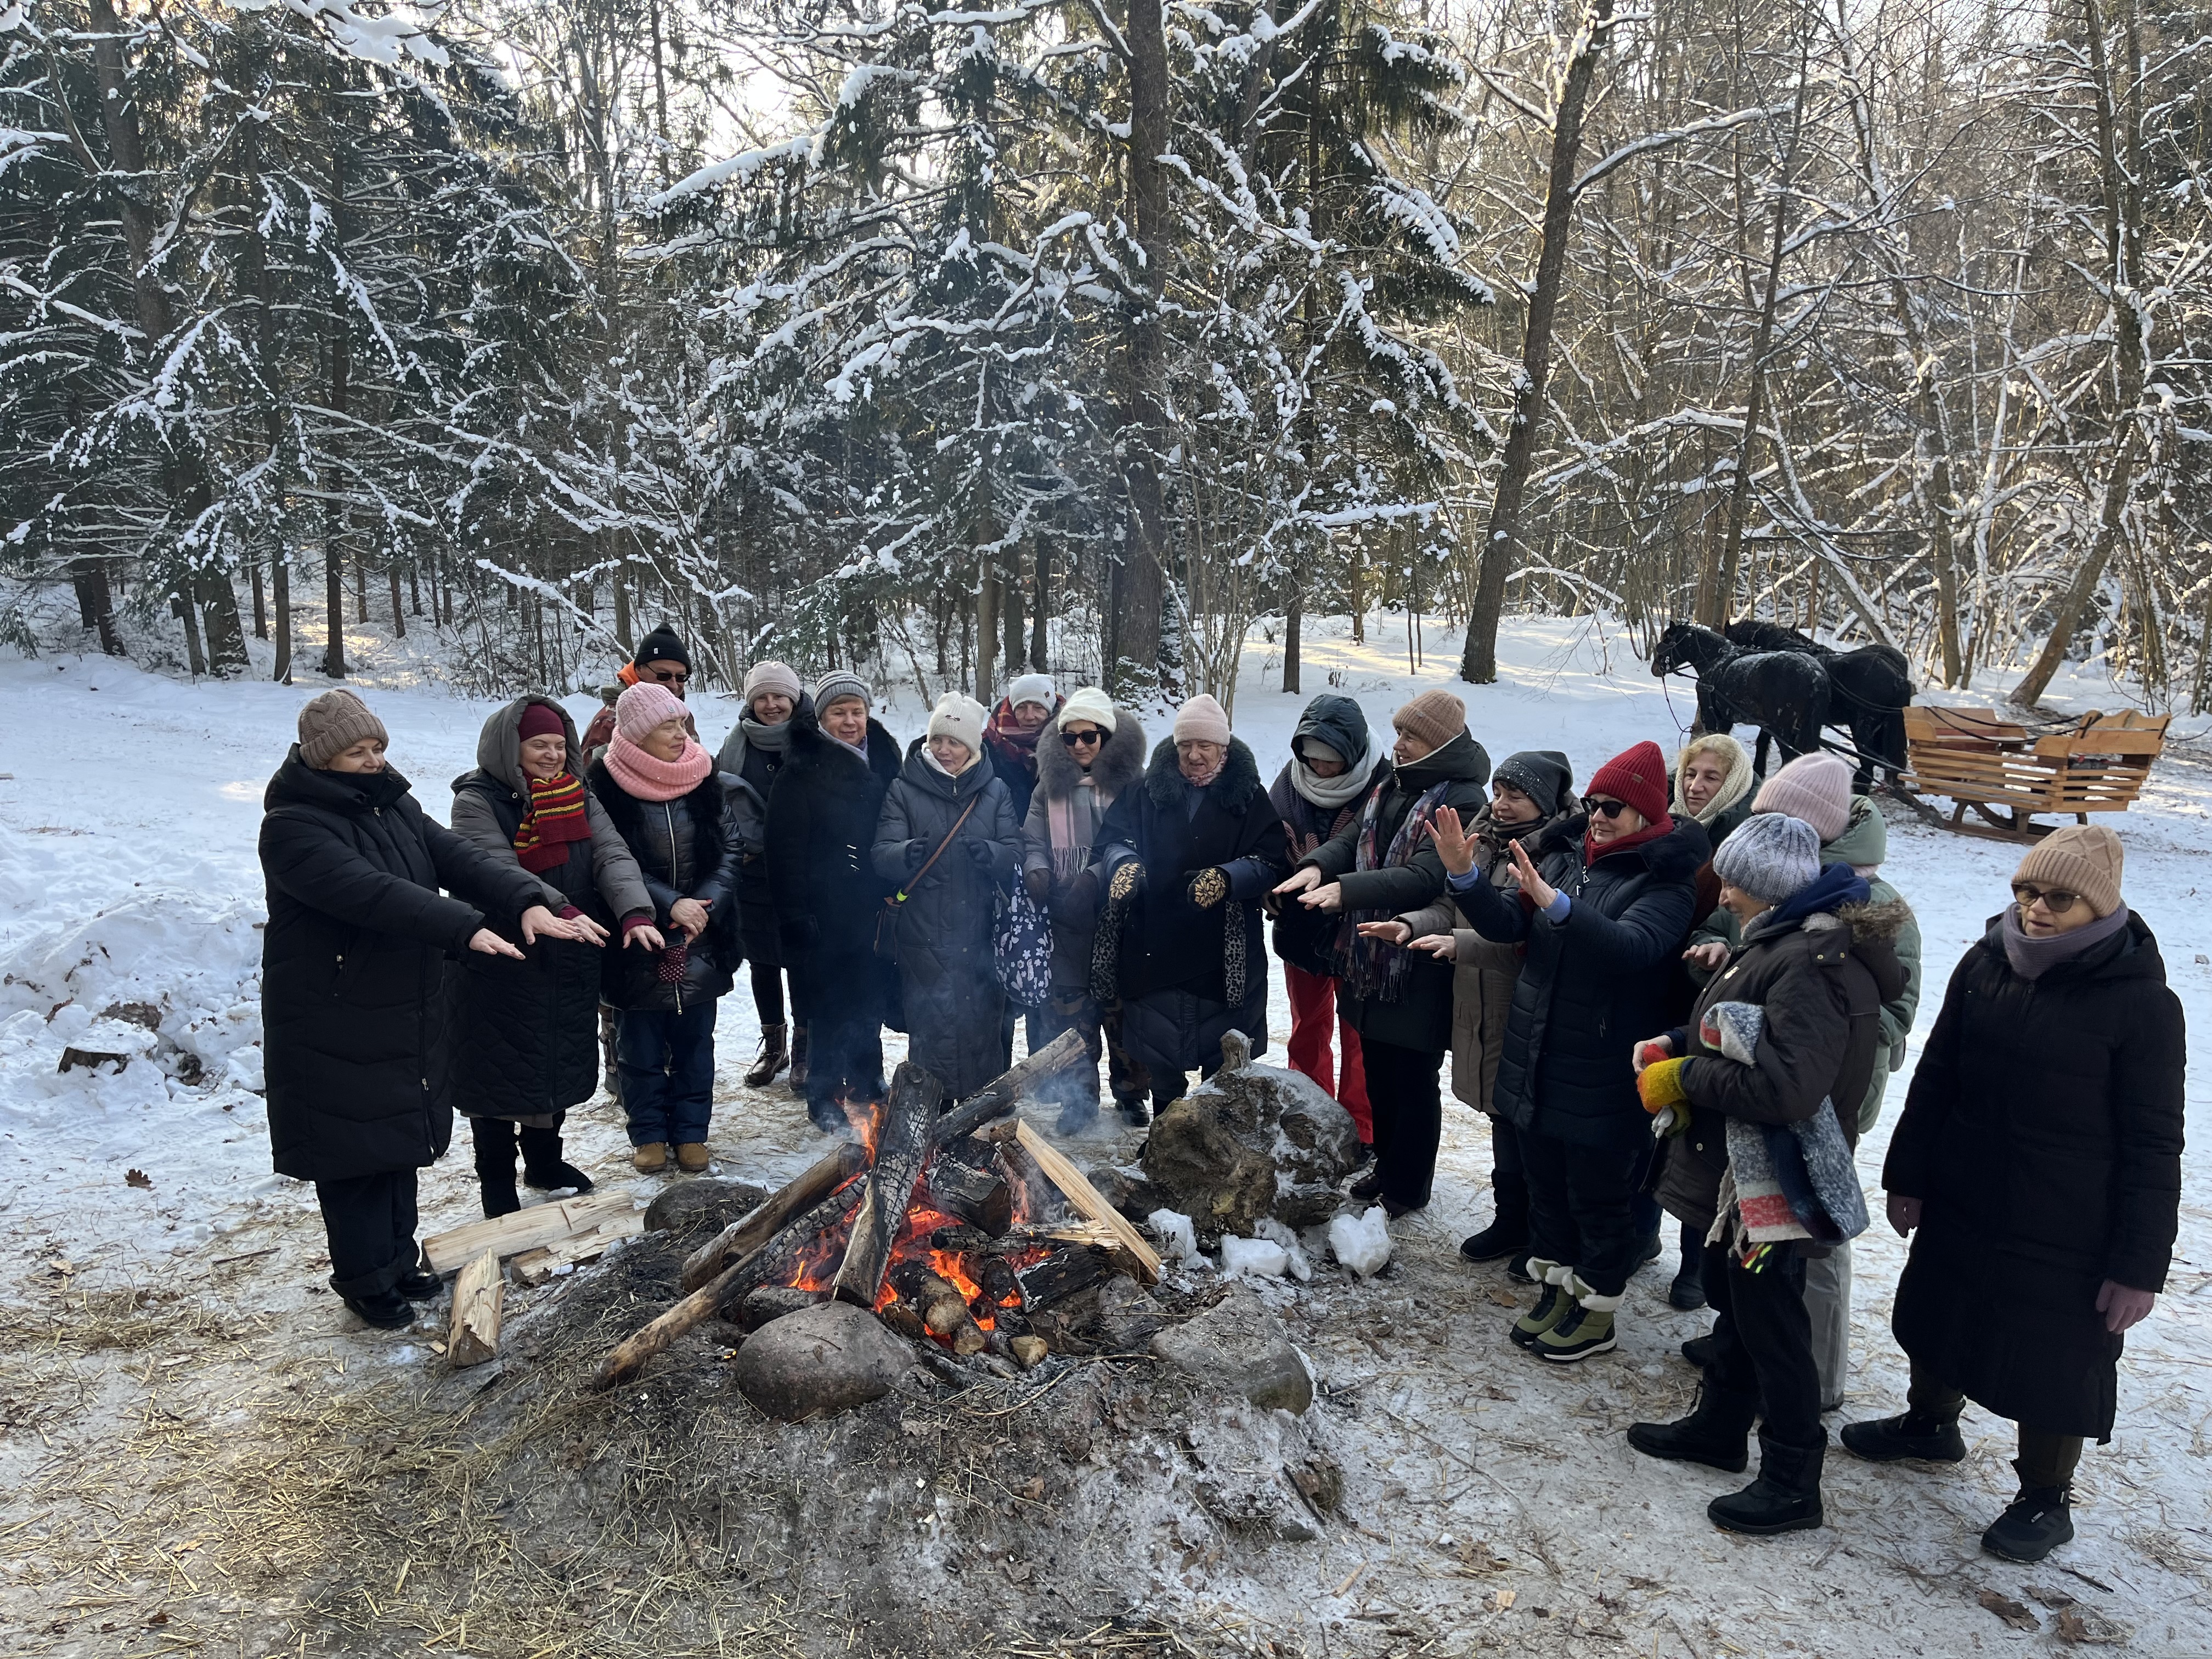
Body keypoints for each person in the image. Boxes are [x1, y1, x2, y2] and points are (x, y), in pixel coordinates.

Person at [1842, 826, 2183, 1564]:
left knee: (2056, 1358)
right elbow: (1936, 1077)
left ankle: (2044, 1497)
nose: (2036, 910)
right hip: (1967, 1191)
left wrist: (2138, 1265)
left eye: (2060, 899)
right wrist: (1910, 1174)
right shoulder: (1985, 963)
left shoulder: (2144, 1005)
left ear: (2100, 906)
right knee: (1940, 1307)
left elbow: (2155, 1143)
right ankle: (1931, 1423)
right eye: (2026, 892)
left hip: (2069, 1222)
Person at [1626, 814, 1908, 1536]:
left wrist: (1686, 1074)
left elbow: (1787, 1087)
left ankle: (1791, 1479)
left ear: (1767, 887)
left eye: (1735, 878)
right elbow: (1743, 1028)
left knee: (1775, 1324)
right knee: (1737, 1302)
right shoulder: (1777, 939)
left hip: (1777, 1184)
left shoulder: (1813, 963)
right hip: (1741, 1178)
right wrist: (1679, 1040)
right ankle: (1720, 1428)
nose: (1722, 888)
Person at [259, 690, 568, 1328]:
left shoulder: (392, 804)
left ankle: (398, 1264)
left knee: (395, 1140)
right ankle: (365, 1281)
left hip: (399, 1004)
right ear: (321, 758)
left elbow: (456, 857)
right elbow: (371, 894)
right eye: (356, 751)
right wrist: (463, 927)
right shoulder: (291, 827)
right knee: (353, 1154)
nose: (372, 760)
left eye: (377, 748)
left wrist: (530, 897)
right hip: (334, 1012)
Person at [1435, 740, 1707, 1362]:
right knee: (1548, 1191)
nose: (1601, 815)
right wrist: (1464, 876)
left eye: (1615, 806)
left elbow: (1630, 948)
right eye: (1594, 802)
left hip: (1604, 1069)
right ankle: (1558, 1291)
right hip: (1538, 1054)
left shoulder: (1665, 881)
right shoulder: (1565, 858)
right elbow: (1506, 923)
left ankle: (1597, 1312)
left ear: (1646, 813)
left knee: (1600, 1201)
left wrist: (1556, 904)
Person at [1680, 751, 1923, 1394]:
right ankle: (1745, 1356)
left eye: (1777, 817)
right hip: (1771, 1085)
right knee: (1758, 1242)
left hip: (1827, 1096)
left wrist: (1837, 1045)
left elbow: (1892, 1003)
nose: (1764, 827)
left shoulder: (1870, 902)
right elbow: (1745, 933)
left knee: (1813, 1240)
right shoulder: (1777, 876)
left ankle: (1812, 1375)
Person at [1277, 690, 1490, 1216]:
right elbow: (1352, 840)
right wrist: (1318, 866)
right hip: (1370, 956)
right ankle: (1387, 1167)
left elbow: (1423, 875)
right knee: (1377, 1070)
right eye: (1397, 734)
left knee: (1412, 1081)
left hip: (1416, 959)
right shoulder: (1394, 785)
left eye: (1410, 736)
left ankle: (1408, 1186)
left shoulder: (1460, 799)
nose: (1397, 744)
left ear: (1437, 744)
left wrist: (1346, 891)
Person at [449, 697, 658, 1216]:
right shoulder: (476, 801)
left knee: (553, 1061)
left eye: (558, 746)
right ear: (508, 749)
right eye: (538, 745)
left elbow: (611, 854)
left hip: (570, 951)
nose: (551, 755)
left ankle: (545, 1162)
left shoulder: (578, 794)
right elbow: (494, 867)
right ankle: (496, 1179)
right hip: (500, 955)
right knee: (496, 1070)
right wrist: (558, 909)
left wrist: (634, 911)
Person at [1373, 751, 1576, 1270]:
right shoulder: (1479, 840)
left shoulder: (1559, 852)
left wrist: (1459, 942)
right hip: (1477, 999)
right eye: (1500, 792)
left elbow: (1526, 935)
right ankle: (1510, 1219)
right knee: (1499, 1112)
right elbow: (1449, 904)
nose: (1501, 804)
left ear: (1545, 802)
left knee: (1529, 1122)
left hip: (1525, 1003)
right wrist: (1413, 924)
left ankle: (1541, 1231)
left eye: (1516, 795)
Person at [1092, 694, 1290, 1116]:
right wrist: (1123, 864)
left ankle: (1215, 1137)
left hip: (1222, 952)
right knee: (1161, 1056)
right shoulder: (1144, 792)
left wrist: (1227, 878)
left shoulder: (1248, 797)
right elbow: (1113, 840)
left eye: (1205, 746)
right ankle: (1166, 1134)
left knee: (1223, 1058)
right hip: (1154, 942)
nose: (1194, 756)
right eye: (1186, 746)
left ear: (1224, 748)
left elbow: (1270, 861)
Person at [585, 680, 738, 1173]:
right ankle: (648, 1133)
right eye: (666, 726)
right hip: (637, 931)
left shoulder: (705, 775)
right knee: (639, 1045)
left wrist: (703, 906)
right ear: (635, 735)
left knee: (697, 1041)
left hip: (700, 932)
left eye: (681, 722)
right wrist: (671, 904)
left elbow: (731, 849)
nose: (680, 733)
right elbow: (610, 858)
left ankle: (692, 1132)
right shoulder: (604, 784)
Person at [766, 670, 904, 1131]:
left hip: (874, 905)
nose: (849, 721)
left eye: (856, 711)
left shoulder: (885, 759)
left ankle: (868, 1082)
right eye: (838, 712)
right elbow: (782, 852)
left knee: (869, 1000)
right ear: (821, 718)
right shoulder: (801, 769)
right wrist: (795, 916)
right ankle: (823, 1093)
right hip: (823, 911)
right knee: (827, 1007)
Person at [874, 693, 1025, 1099]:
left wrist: (993, 854)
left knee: (983, 1024)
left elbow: (1015, 853)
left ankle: (982, 1105)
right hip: (923, 936)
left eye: (955, 742)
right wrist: (904, 853)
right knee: (932, 1025)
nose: (944, 750)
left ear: (973, 746)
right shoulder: (903, 790)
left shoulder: (995, 792)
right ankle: (931, 1104)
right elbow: (881, 854)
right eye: (938, 740)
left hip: (981, 936)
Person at [1658, 731, 1758, 1310]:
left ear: (1736, 783)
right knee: (1653, 1121)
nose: (1696, 788)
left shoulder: (1740, 841)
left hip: (1711, 999)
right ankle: (1644, 1235)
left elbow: (1730, 919)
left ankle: (1695, 1261)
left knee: (1701, 1140)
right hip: (1665, 984)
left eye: (1711, 778)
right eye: (1691, 775)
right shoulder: (1669, 828)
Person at [1020, 686, 1148, 1130]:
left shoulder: (1134, 787)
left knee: (1122, 1008)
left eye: (1089, 736)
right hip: (1065, 914)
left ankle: (1132, 1092)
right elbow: (1032, 837)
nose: (1078, 746)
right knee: (1072, 1008)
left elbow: (1141, 842)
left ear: (1107, 738)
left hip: (1121, 914)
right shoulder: (1047, 787)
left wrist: (1095, 877)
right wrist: (1037, 869)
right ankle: (1080, 1097)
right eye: (1069, 737)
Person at [1266, 694, 1383, 1146]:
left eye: (1331, 761)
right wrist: (1272, 887)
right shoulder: (1288, 786)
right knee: (1308, 1027)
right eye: (1312, 758)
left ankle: (1361, 1126)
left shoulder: (1383, 783)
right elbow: (1269, 846)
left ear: (1353, 754)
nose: (1320, 769)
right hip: (1303, 929)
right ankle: (1309, 1116)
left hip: (1362, 931)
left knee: (1358, 1035)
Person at [714, 661, 811, 1090]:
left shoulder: (814, 739)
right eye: (762, 697)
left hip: (804, 872)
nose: (771, 705)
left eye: (779, 697)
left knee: (803, 962)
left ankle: (808, 1049)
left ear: (794, 699)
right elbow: (717, 806)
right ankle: (774, 1046)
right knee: (763, 962)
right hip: (753, 873)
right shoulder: (735, 746)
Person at [983, 673, 1064, 1063]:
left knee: (1045, 974)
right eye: (1023, 707)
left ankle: (1042, 1070)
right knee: (999, 974)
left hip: (1053, 869)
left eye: (1038, 707)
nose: (1030, 715)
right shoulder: (989, 746)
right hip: (999, 870)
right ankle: (997, 1070)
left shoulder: (1072, 741)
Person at [580, 623, 696, 756]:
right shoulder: (610, 722)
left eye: (681, 677)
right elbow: (590, 775)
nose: (674, 685)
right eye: (663, 675)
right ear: (639, 670)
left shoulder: (683, 716)